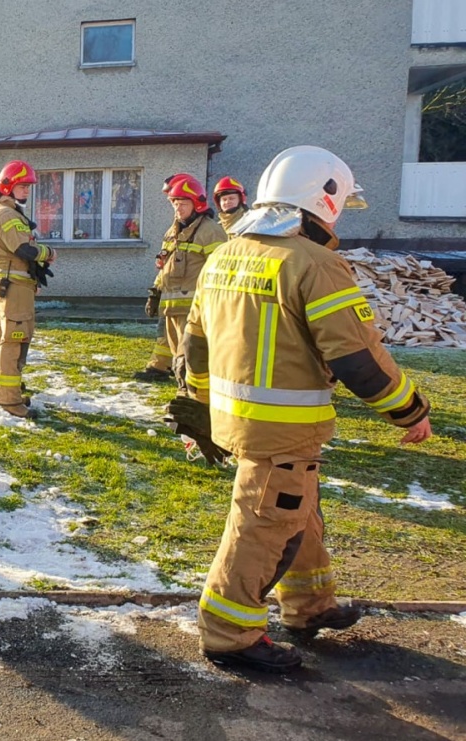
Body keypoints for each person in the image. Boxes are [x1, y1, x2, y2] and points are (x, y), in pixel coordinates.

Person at [181, 146, 434, 673]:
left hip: (240, 419)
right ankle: (228, 634)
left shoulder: (226, 254)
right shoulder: (314, 263)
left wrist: (199, 409)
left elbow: (193, 344)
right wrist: (411, 412)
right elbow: (358, 359)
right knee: (263, 522)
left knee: (299, 511)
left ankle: (310, 606)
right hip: (281, 429)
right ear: (327, 201)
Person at [0, 160, 54, 418]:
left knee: (2, 335)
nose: (27, 191)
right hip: (13, 285)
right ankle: (10, 401)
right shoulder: (8, 214)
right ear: (8, 187)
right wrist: (49, 253)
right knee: (14, 339)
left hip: (3, 282)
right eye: (22, 186)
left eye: (28, 187)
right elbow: (23, 250)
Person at [145, 175, 226, 385]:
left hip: (194, 309)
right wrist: (155, 292)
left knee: (188, 357)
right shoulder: (173, 232)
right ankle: (183, 391)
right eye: (175, 204)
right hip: (171, 306)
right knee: (176, 355)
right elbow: (165, 266)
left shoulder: (211, 232)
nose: (178, 209)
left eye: (183, 204)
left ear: (197, 203)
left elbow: (221, 272)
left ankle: (193, 396)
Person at [136, 174, 189, 382]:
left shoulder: (200, 230)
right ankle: (160, 366)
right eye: (171, 199)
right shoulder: (174, 227)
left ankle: (170, 369)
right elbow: (165, 263)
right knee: (164, 330)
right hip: (170, 291)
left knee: (184, 337)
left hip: (186, 295)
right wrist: (156, 290)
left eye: (174, 199)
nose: (171, 202)